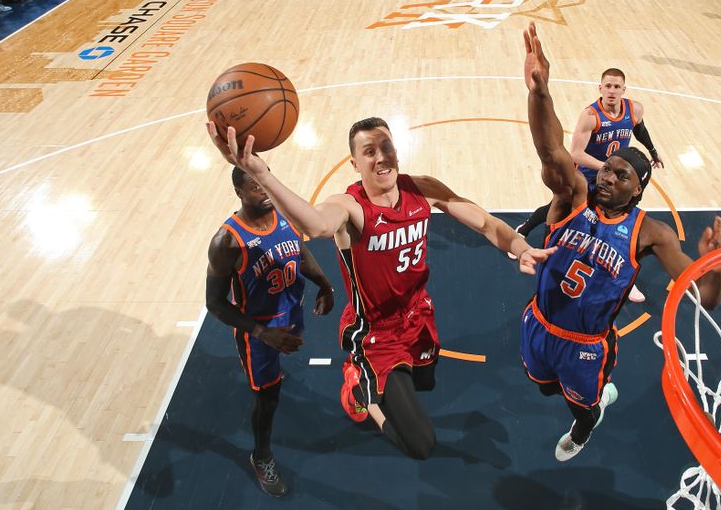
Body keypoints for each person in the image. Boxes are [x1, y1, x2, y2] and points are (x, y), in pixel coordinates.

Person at [207, 117, 556, 460]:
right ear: (355, 163)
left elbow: (486, 223)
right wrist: (264, 176)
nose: (380, 157)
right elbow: (316, 225)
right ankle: (357, 385)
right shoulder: (350, 206)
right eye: (369, 151)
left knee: (426, 383)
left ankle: (377, 384)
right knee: (421, 446)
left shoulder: (422, 188)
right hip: (377, 333)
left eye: (385, 146)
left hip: (419, 316)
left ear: (396, 150)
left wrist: (520, 247)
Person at [520, 22, 721, 461]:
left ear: (637, 190)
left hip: (586, 347)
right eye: (607, 168)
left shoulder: (652, 234)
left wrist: (713, 269)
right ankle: (582, 402)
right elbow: (550, 150)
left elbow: (705, 297)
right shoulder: (573, 198)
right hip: (540, 323)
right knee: (543, 389)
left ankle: (586, 426)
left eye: (621, 175)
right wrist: (540, 92)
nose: (607, 177)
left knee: (582, 406)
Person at [205, 166, 335, 497]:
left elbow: (299, 251)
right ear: (239, 193)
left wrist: (324, 284)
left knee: (277, 381)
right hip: (258, 333)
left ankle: (273, 373)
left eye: (264, 182)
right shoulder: (226, 242)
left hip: (290, 313)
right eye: (254, 187)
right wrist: (263, 333)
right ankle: (261, 456)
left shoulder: (286, 214)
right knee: (268, 399)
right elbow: (215, 304)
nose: (263, 190)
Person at [513, 66, 664, 304]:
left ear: (624, 89)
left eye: (617, 87)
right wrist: (607, 167)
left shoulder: (634, 109)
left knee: (618, 227)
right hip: (587, 177)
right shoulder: (591, 116)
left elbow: (640, 130)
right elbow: (575, 154)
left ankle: (626, 279)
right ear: (600, 88)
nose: (612, 91)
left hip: (612, 181)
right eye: (608, 86)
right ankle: (526, 233)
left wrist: (653, 152)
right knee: (559, 210)